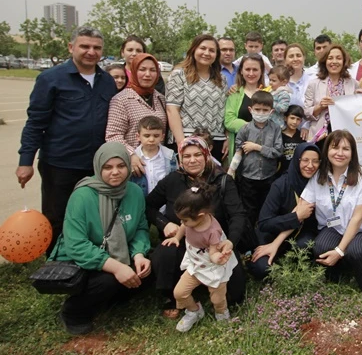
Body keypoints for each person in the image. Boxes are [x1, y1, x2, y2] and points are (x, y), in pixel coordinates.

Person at [17, 26, 117, 255]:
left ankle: (89, 256)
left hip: (96, 165)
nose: (91, 52)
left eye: (96, 47)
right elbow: (35, 122)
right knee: (57, 215)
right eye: (85, 46)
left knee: (93, 214)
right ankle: (55, 261)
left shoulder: (107, 82)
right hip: (60, 162)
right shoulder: (50, 79)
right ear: (71, 47)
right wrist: (26, 161)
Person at [49, 142, 151, 335]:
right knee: (109, 281)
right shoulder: (82, 196)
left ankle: (110, 298)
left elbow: (140, 228)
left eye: (121, 166)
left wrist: (139, 254)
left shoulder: (134, 192)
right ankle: (74, 312)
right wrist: (117, 267)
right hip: (83, 260)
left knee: (151, 267)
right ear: (98, 167)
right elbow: (76, 245)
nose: (115, 172)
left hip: (118, 251)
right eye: (108, 167)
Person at [147, 136, 249, 318]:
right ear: (180, 158)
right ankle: (172, 296)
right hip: (184, 243)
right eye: (186, 156)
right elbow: (149, 206)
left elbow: (238, 215)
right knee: (165, 253)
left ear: (206, 155)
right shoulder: (172, 180)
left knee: (236, 295)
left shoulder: (222, 180)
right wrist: (164, 224)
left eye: (197, 155)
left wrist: (231, 242)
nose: (192, 160)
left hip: (215, 244)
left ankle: (213, 292)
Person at [300, 130, 362, 299]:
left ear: (352, 153)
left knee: (358, 251)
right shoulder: (318, 177)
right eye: (334, 148)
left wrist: (339, 250)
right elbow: (302, 206)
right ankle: (347, 271)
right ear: (326, 151)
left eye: (346, 149)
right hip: (335, 228)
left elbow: (357, 218)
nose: (339, 153)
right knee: (321, 247)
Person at [161, 183, 238, 332]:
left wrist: (218, 258)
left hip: (212, 267)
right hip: (195, 264)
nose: (182, 224)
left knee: (217, 298)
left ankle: (222, 313)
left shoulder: (212, 231)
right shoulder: (189, 221)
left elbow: (213, 253)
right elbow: (183, 227)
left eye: (185, 221)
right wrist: (177, 237)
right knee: (179, 293)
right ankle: (194, 310)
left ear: (201, 216)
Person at [251, 143, 321, 278]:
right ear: (296, 160)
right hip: (272, 234)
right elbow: (264, 223)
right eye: (305, 160)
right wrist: (295, 217)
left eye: (315, 161)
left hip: (301, 235)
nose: (310, 165)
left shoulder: (318, 183)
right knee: (262, 269)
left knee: (306, 246)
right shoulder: (281, 184)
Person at [166, 34, 227, 163]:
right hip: (189, 140)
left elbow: (224, 110)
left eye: (212, 50)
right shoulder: (179, 75)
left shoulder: (222, 79)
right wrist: (181, 143)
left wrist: (226, 137)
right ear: (194, 50)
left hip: (216, 141)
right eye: (203, 48)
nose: (206, 53)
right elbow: (172, 110)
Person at [228, 90, 283, 229]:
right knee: (248, 210)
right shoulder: (245, 129)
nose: (261, 113)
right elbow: (239, 150)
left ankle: (263, 236)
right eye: (257, 109)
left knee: (265, 209)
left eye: (265, 110)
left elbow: (278, 151)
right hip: (248, 177)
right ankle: (248, 244)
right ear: (250, 109)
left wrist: (258, 147)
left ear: (271, 111)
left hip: (268, 176)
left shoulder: (276, 129)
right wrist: (231, 170)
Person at [106, 53, 167, 174]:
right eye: (142, 69)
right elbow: (113, 135)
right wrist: (131, 155)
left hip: (158, 165)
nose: (148, 74)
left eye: (153, 70)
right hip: (134, 167)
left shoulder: (160, 98)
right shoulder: (121, 99)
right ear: (134, 71)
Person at [304, 44, 359, 145]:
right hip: (320, 135)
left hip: (345, 134)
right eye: (330, 58)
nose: (334, 62)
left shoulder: (354, 84)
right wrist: (320, 107)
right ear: (325, 61)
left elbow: (358, 111)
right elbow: (306, 113)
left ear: (344, 62)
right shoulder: (314, 84)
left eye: (338, 58)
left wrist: (360, 98)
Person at [224, 54, 267, 165]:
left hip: (264, 148)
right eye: (247, 69)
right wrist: (252, 128)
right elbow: (229, 120)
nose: (251, 73)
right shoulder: (234, 93)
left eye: (255, 69)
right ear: (241, 71)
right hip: (240, 151)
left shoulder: (269, 94)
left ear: (261, 71)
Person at [130, 116, 177, 196]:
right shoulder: (133, 158)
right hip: (141, 202)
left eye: (156, 136)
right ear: (138, 137)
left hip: (163, 204)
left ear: (162, 137)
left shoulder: (169, 155)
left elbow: (175, 180)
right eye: (147, 136)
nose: (151, 139)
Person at [285, 43, 312, 140]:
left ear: (304, 57)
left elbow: (317, 108)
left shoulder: (313, 81)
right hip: (283, 134)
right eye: (291, 56)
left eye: (298, 55)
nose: (295, 59)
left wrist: (307, 124)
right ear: (285, 60)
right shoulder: (279, 82)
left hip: (308, 134)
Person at [279, 105, 306, 175]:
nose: (295, 122)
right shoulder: (279, 136)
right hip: (282, 173)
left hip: (298, 172)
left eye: (298, 119)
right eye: (292, 118)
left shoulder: (302, 136)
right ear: (285, 118)